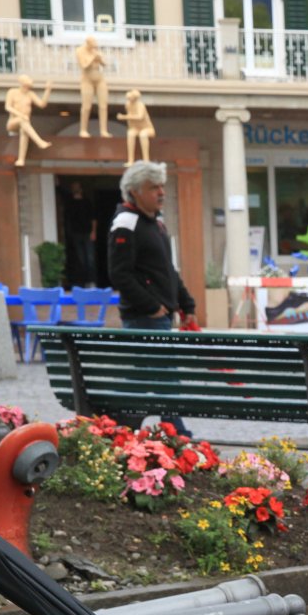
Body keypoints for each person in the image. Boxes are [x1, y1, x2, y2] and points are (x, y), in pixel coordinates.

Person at [108, 161, 194, 437]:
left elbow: (167, 270)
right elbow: (119, 274)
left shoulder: (156, 223)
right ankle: (176, 432)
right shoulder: (126, 223)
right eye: (153, 187)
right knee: (164, 376)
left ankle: (121, 425)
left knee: (149, 374)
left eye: (162, 186)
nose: (161, 192)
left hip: (159, 316)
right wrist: (153, 307)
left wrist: (186, 304)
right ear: (135, 191)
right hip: (144, 317)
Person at [4, 75, 52, 167]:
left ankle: (21, 159)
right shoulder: (12, 92)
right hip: (13, 123)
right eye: (29, 79)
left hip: (25, 124)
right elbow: (8, 107)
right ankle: (39, 142)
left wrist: (47, 90)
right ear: (22, 82)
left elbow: (42, 104)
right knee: (22, 121)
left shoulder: (30, 94)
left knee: (24, 130)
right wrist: (21, 115)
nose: (31, 81)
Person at [62, 181, 98, 289]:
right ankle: (82, 283)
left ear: (81, 189)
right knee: (80, 259)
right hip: (76, 234)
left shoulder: (87, 202)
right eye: (73, 187)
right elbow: (61, 193)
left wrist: (93, 232)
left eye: (77, 187)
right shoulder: (70, 202)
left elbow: (93, 218)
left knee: (90, 259)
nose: (75, 188)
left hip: (87, 233)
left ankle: (91, 282)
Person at [76, 35, 111, 138]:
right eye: (93, 44)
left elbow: (104, 64)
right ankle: (83, 130)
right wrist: (93, 58)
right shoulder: (80, 51)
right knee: (86, 106)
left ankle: (104, 130)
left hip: (99, 79)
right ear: (88, 43)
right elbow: (84, 66)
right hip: (87, 80)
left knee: (103, 106)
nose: (95, 46)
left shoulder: (95, 51)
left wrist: (100, 59)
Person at [117, 89, 155, 167]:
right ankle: (130, 160)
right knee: (130, 133)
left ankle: (146, 161)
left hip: (147, 128)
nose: (129, 99)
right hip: (136, 128)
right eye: (128, 98)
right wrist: (131, 126)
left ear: (135, 98)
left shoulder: (140, 105)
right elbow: (130, 118)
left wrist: (124, 117)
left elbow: (140, 117)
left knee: (143, 135)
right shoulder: (128, 105)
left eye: (131, 97)